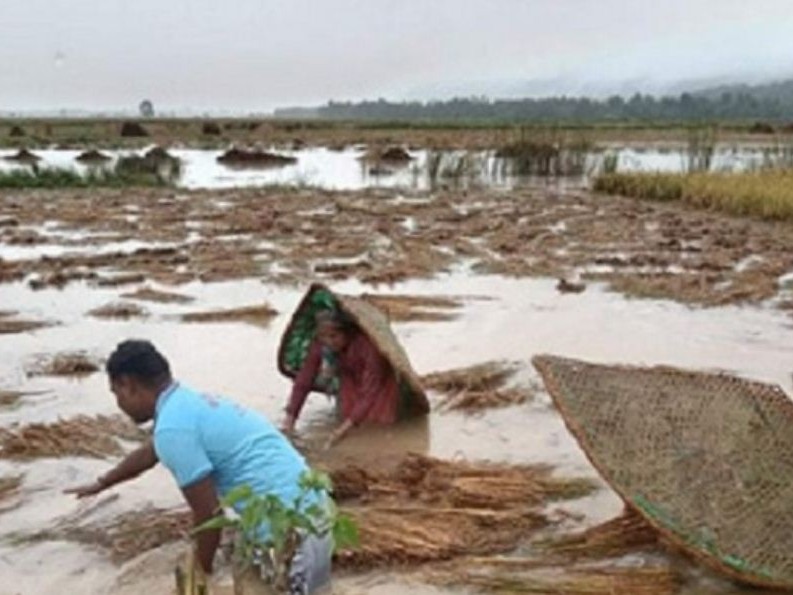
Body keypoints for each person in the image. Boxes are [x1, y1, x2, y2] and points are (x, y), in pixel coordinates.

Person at [65, 340, 332, 594]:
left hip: (292, 538)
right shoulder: (186, 402)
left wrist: (200, 577)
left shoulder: (173, 427)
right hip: (314, 514)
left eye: (116, 393)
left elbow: (209, 516)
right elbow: (150, 453)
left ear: (128, 384)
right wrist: (103, 482)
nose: (119, 403)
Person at [281, 309, 403, 449]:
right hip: (350, 379)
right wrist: (290, 420)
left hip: (380, 384)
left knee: (378, 426)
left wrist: (342, 431)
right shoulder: (321, 345)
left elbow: (370, 392)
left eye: (334, 336)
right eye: (323, 336)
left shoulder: (367, 347)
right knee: (348, 416)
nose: (328, 341)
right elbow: (304, 380)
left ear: (347, 333)